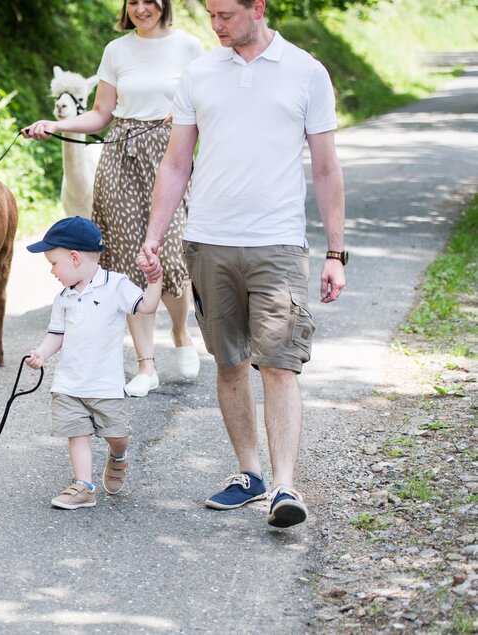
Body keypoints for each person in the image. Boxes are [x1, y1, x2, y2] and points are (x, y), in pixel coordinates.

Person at [137, 0, 347, 528]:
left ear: (258, 8)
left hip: (277, 245)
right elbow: (176, 163)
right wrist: (154, 235)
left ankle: (283, 486)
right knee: (229, 364)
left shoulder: (306, 72)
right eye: (210, 14)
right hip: (208, 242)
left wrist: (335, 252)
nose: (216, 25)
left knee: (279, 364)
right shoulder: (200, 74)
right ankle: (249, 474)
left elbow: (325, 169)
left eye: (225, 14)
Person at [23, 0, 204, 398]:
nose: (142, 8)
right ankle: (145, 364)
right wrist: (56, 125)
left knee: (171, 253)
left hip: (169, 154)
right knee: (125, 260)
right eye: (134, 1)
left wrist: (188, 114)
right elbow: (101, 114)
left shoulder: (190, 47)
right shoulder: (116, 51)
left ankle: (180, 333)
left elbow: (208, 104)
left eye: (150, 0)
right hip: (121, 154)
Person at [25, 217, 162, 509]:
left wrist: (154, 281)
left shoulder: (116, 285)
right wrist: (41, 354)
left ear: (74, 258)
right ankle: (83, 486)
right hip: (69, 385)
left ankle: (119, 454)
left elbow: (146, 307)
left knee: (117, 434)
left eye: (53, 263)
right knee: (77, 434)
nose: (51, 271)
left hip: (105, 385)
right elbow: (56, 334)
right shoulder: (63, 297)